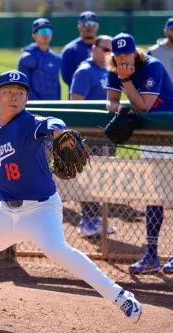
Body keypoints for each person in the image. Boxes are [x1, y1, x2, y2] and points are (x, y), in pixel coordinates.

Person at [0, 70, 142, 322]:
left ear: (26, 98)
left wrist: (58, 134)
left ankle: (119, 296)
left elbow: (51, 122)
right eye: (8, 92)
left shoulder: (30, 123)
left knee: (57, 251)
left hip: (40, 210)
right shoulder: (0, 121)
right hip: (6, 213)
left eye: (20, 93)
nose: (14, 97)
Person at [106, 33, 173, 274]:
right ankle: (152, 256)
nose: (123, 59)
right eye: (118, 55)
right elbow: (110, 101)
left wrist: (125, 81)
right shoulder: (115, 69)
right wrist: (120, 107)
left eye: (127, 54)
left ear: (136, 52)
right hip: (150, 132)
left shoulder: (153, 65)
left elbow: (144, 106)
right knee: (153, 194)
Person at [69, 35, 116, 237]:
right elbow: (75, 103)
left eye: (111, 50)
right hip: (89, 135)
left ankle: (98, 219)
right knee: (88, 177)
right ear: (94, 49)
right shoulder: (85, 72)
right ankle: (86, 220)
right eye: (105, 49)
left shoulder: (107, 70)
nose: (109, 53)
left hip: (106, 133)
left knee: (102, 178)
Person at [17, 18, 61, 101]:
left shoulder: (56, 58)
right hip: (35, 106)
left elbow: (57, 85)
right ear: (34, 35)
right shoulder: (27, 57)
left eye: (48, 31)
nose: (45, 34)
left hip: (54, 105)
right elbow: (23, 86)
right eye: (41, 31)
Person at [61, 11, 99, 89]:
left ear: (97, 26)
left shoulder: (104, 48)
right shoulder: (70, 50)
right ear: (79, 27)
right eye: (86, 24)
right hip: (79, 98)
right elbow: (67, 78)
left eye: (92, 23)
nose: (89, 27)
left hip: (102, 98)